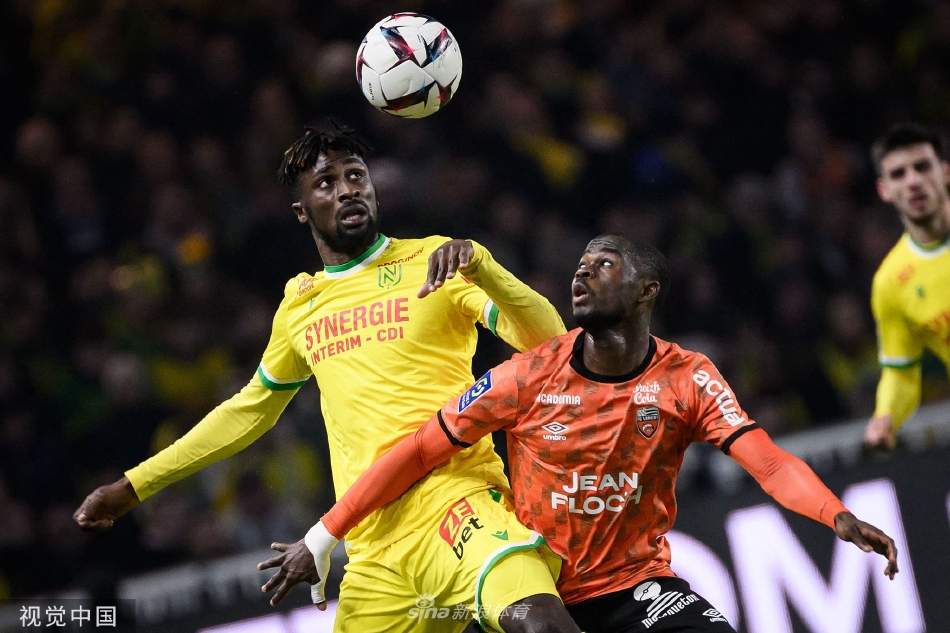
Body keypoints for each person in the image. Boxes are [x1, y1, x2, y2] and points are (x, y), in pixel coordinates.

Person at [73, 126, 580, 633]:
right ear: (302, 211)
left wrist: (484, 265)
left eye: (356, 176)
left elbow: (549, 342)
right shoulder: (301, 305)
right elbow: (246, 413)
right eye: (326, 183)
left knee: (537, 621)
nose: (347, 190)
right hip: (372, 547)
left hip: (456, 501)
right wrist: (136, 485)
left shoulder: (433, 259)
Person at [292, 233, 900, 633]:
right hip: (538, 593)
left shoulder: (687, 378)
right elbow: (419, 450)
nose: (583, 271)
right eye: (581, 264)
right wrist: (327, 532)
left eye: (604, 263)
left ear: (646, 290)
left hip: (634, 589)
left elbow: (767, 463)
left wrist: (835, 514)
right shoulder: (527, 375)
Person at [863, 123, 950, 450]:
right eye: (898, 174)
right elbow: (901, 372)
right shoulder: (890, 282)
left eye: (922, 167)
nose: (913, 181)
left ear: (945, 172)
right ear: (884, 190)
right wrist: (886, 417)